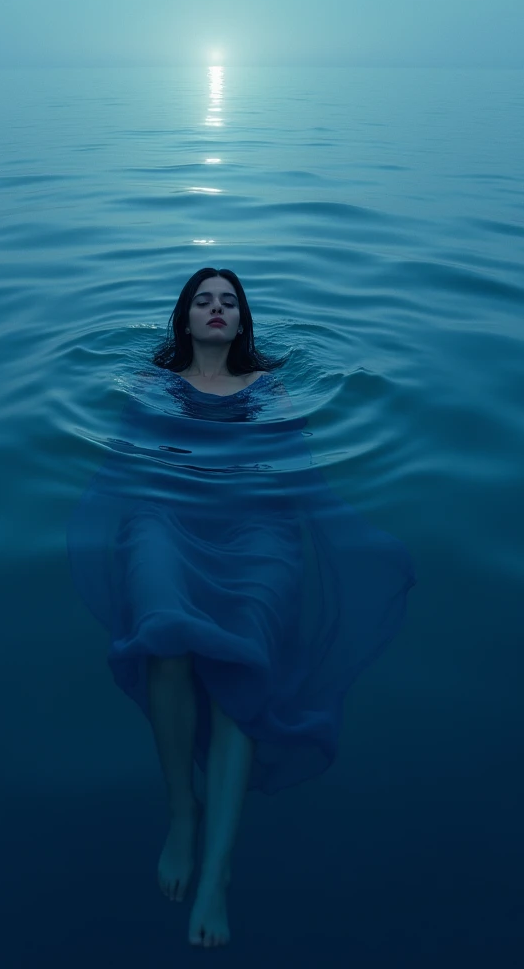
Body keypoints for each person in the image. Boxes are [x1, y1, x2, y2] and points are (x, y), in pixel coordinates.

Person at [66, 267, 417, 948]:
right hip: (168, 517)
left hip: (255, 525)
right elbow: (126, 466)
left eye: (229, 301)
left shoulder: (270, 388)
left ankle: (219, 869)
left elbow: (301, 473)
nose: (217, 309)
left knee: (242, 669)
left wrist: (353, 532)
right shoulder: (151, 384)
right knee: (164, 638)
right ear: (185, 320)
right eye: (204, 301)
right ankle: (181, 812)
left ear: (242, 319)